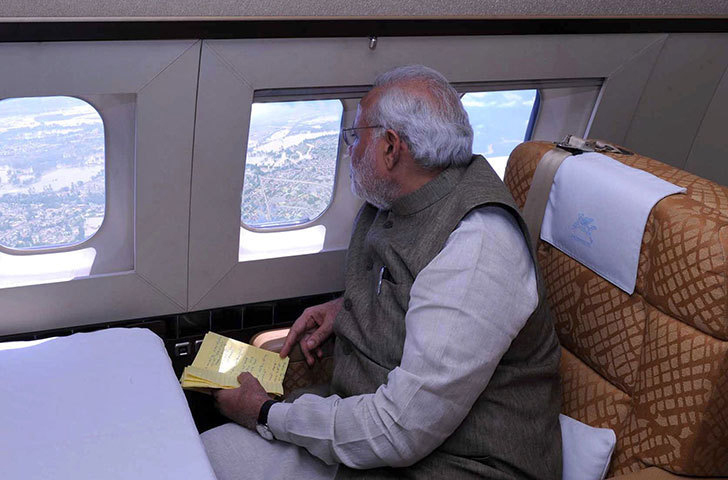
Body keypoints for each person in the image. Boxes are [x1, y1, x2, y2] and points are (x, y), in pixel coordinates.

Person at [201, 65, 562, 480]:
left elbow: (399, 431)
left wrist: (265, 413)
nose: (348, 151)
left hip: (459, 464)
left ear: (390, 148)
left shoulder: (479, 245)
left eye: (355, 137)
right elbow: (421, 289)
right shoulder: (401, 197)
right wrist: (353, 306)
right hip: (382, 435)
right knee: (205, 454)